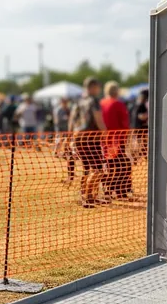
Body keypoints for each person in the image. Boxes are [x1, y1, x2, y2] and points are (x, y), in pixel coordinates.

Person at [69, 77, 106, 208]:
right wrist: (105, 132)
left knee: (87, 169)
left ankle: (86, 196)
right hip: (91, 137)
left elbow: (72, 120)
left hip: (78, 137)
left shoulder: (78, 100)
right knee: (98, 169)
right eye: (97, 87)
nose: (99, 90)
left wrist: (70, 138)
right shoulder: (93, 100)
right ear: (92, 87)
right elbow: (98, 117)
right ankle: (89, 197)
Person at [100, 81, 132, 200]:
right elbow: (125, 123)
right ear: (116, 91)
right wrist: (127, 138)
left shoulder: (101, 103)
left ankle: (107, 189)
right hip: (118, 140)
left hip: (103, 138)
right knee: (123, 166)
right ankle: (120, 191)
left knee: (108, 165)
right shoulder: (118, 104)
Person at [53, 97, 75, 184]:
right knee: (59, 142)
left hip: (68, 131)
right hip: (61, 129)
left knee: (68, 149)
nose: (65, 103)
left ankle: (63, 154)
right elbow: (57, 120)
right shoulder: (58, 110)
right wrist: (66, 118)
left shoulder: (69, 109)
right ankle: (57, 153)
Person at [132, 88, 150, 159]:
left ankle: (141, 156)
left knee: (141, 144)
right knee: (141, 144)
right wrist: (149, 115)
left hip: (139, 128)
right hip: (140, 128)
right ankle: (140, 157)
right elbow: (141, 116)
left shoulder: (137, 104)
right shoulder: (141, 105)